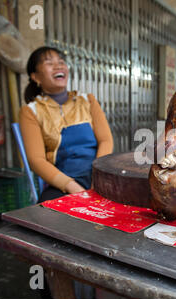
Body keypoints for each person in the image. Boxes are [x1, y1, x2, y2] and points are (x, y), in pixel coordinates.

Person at [20, 46, 113, 203]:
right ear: (36, 77)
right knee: (47, 214)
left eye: (61, 62)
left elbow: (106, 140)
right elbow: (36, 160)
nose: (58, 66)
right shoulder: (31, 111)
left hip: (98, 175)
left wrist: (98, 178)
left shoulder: (88, 101)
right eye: (49, 63)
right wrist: (71, 186)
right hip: (63, 181)